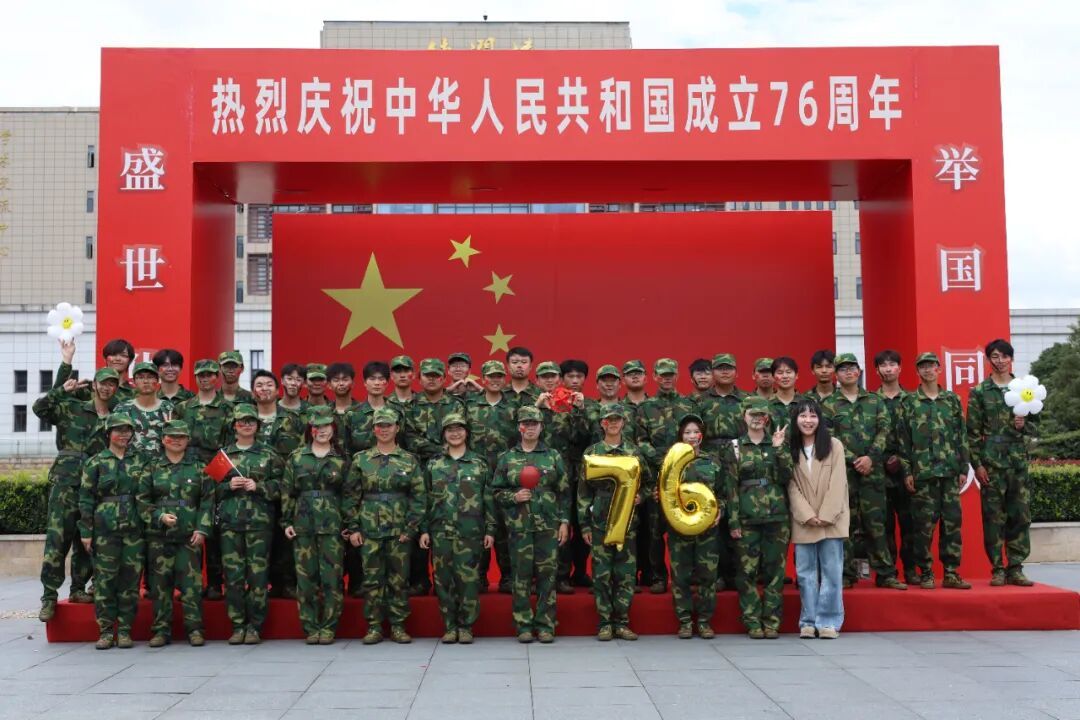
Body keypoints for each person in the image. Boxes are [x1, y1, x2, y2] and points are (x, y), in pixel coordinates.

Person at [32, 366, 118, 621]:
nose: (106, 387)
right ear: (94, 385)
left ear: (115, 388)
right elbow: (40, 409)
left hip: (95, 487)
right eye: (103, 383)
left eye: (111, 384)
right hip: (66, 484)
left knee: (87, 541)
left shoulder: (115, 419)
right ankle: (49, 596)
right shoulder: (73, 408)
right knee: (57, 539)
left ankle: (78, 589)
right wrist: (61, 390)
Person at [821, 353, 906, 590]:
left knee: (876, 524)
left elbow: (884, 430)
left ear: (859, 372)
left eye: (852, 368)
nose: (848, 372)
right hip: (843, 474)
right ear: (836, 375)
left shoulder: (874, 400)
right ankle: (846, 574)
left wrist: (870, 458)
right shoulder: (828, 405)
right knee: (844, 524)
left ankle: (886, 574)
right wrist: (853, 459)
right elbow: (828, 437)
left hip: (873, 472)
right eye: (842, 369)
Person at [343, 407, 426, 644]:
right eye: (380, 426)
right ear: (373, 430)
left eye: (389, 425)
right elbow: (350, 496)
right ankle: (374, 626)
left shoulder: (409, 460)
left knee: (399, 579)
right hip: (369, 528)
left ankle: (398, 626)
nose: (384, 429)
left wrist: (411, 528)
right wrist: (353, 527)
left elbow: (419, 497)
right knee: (372, 579)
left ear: (397, 428)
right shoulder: (361, 459)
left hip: (400, 529)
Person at [491, 406, 570, 643]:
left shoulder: (553, 456)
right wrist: (513, 497)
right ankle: (523, 625)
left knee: (548, 576)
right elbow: (496, 492)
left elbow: (564, 492)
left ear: (541, 427)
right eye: (526, 423)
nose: (530, 428)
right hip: (519, 526)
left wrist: (564, 522)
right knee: (521, 576)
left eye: (534, 423)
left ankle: (546, 625)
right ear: (519, 427)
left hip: (548, 525)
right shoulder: (507, 458)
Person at [967, 339, 1037, 587]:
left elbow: (1037, 427)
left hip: (1017, 463)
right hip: (991, 463)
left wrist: (1023, 425)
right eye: (995, 356)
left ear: (1011, 359)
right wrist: (978, 465)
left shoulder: (1025, 390)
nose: (1000, 361)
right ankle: (997, 568)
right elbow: (971, 434)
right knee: (993, 518)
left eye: (1005, 356)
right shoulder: (979, 392)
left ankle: (1015, 568)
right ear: (988, 360)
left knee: (1020, 516)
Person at [899, 353, 972, 590]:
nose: (928, 370)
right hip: (923, 474)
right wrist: (907, 471)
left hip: (949, 473)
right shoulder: (909, 402)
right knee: (923, 528)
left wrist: (963, 467)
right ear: (917, 372)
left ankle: (951, 572)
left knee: (952, 525)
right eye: (923, 367)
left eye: (931, 366)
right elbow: (903, 440)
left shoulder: (951, 400)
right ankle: (926, 572)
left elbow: (961, 435)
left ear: (939, 369)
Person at [138, 420, 212, 647]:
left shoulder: (200, 467)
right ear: (163, 440)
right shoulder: (152, 467)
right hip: (159, 537)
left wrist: (202, 528)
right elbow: (142, 501)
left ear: (188, 440)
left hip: (189, 537)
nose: (177, 440)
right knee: (160, 587)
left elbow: (207, 501)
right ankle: (161, 630)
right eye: (172, 436)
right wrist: (159, 516)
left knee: (191, 587)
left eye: (181, 437)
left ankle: (195, 630)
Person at [420, 413, 493, 644]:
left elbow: (488, 499)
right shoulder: (434, 464)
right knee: (443, 581)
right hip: (440, 531)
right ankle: (450, 626)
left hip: (471, 532)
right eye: (450, 429)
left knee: (469, 581)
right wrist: (424, 530)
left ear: (467, 433)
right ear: (443, 434)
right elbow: (424, 499)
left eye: (459, 429)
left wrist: (490, 530)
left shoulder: (479, 463)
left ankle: (466, 626)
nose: (455, 433)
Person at [579, 404, 647, 641]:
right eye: (609, 420)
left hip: (627, 523)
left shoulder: (633, 453)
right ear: (602, 423)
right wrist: (584, 525)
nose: (613, 423)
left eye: (617, 419)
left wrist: (641, 496)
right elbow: (583, 492)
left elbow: (648, 483)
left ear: (624, 423)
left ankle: (622, 622)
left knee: (625, 574)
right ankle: (605, 623)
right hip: (600, 521)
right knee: (601, 574)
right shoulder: (592, 452)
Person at [217, 404, 283, 645]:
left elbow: (283, 486)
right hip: (230, 524)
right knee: (233, 578)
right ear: (234, 426)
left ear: (257, 425)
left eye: (251, 421)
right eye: (242, 422)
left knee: (258, 577)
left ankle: (255, 626)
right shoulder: (223, 456)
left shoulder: (269, 454)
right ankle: (237, 626)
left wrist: (260, 486)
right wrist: (227, 486)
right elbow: (208, 490)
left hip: (259, 524)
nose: (246, 425)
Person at [281, 407, 348, 644]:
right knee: (306, 579)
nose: (322, 430)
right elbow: (288, 491)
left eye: (326, 426)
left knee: (332, 579)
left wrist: (349, 523)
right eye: (317, 426)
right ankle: (310, 627)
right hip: (303, 524)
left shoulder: (341, 459)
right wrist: (286, 521)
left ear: (333, 428)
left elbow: (349, 494)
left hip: (333, 524)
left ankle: (328, 627)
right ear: (310, 429)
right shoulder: (297, 457)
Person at [78, 412, 144, 650]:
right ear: (108, 433)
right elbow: (85, 498)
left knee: (130, 583)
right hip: (105, 530)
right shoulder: (95, 462)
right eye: (119, 430)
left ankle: (125, 630)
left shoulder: (140, 461)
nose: (124, 435)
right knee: (105, 582)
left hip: (134, 530)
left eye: (127, 431)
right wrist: (86, 531)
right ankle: (106, 631)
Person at [729, 396, 791, 639]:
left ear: (767, 418)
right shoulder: (735, 447)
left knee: (775, 573)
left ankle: (772, 622)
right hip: (747, 518)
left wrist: (779, 448)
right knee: (747, 573)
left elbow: (787, 477)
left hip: (777, 517)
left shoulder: (777, 443)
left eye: (761, 415)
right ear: (744, 416)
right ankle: (753, 621)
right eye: (752, 414)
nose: (756, 419)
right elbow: (731, 487)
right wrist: (733, 521)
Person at [787, 399, 848, 639]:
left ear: (820, 420)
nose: (808, 420)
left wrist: (826, 515)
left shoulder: (834, 445)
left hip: (832, 519)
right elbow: (790, 486)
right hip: (804, 520)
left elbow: (839, 482)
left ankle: (829, 622)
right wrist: (807, 515)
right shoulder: (790, 448)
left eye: (813, 416)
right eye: (802, 416)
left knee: (832, 572)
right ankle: (808, 621)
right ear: (795, 420)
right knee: (805, 574)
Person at [666, 414, 731, 640]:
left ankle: (704, 621)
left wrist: (720, 509)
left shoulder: (712, 461)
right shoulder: (671, 461)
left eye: (696, 432)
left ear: (702, 435)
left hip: (707, 529)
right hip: (679, 529)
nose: (692, 436)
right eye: (687, 432)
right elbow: (664, 492)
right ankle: (684, 622)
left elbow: (723, 492)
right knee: (680, 576)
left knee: (707, 576)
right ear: (680, 435)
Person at [403, 358, 465, 595]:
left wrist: (447, 452)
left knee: (449, 521)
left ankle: (453, 580)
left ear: (443, 378)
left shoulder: (455, 405)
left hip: (451, 470)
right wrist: (441, 449)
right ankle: (420, 579)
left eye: (436, 376)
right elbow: (410, 438)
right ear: (419, 379)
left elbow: (461, 433)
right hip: (419, 471)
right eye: (427, 375)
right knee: (420, 521)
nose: (431, 379)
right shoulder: (411, 405)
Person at [174, 358, 233, 600]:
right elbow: (175, 440)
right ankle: (192, 583)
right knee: (189, 527)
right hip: (188, 471)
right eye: (201, 375)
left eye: (210, 375)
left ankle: (216, 584)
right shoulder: (183, 407)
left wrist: (216, 477)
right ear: (196, 377)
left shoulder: (227, 408)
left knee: (215, 530)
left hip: (216, 470)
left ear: (217, 377)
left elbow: (230, 445)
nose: (205, 379)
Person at [636, 358, 696, 594]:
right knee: (654, 531)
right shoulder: (646, 407)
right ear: (655, 377)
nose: (667, 378)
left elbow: (697, 437)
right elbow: (641, 441)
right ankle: (658, 576)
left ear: (677, 375)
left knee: (684, 528)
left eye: (671, 374)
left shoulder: (688, 405)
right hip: (657, 476)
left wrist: (680, 462)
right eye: (662, 375)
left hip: (685, 476)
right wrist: (665, 461)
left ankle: (685, 576)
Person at [534, 360, 588, 595]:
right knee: (543, 525)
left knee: (570, 523)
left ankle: (568, 574)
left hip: (569, 474)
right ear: (537, 380)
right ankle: (544, 576)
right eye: (544, 376)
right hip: (539, 475)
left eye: (553, 376)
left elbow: (582, 437)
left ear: (559, 379)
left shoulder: (570, 403)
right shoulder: (534, 404)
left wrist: (578, 410)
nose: (549, 380)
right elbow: (522, 435)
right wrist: (538, 409)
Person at [250, 369, 305, 601]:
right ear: (253, 391)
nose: (264, 389)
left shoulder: (292, 420)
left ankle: (288, 582)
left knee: (287, 537)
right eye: (259, 385)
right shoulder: (244, 419)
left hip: (286, 488)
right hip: (254, 491)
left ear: (277, 389)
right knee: (261, 540)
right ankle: (265, 584)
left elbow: (303, 452)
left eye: (269, 385)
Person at [342, 360, 394, 597]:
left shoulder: (397, 412)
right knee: (359, 533)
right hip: (362, 482)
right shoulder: (353, 414)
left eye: (381, 379)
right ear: (364, 383)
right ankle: (358, 582)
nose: (377, 383)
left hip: (391, 482)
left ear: (387, 383)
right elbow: (346, 450)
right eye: (372, 379)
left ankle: (392, 585)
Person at [695, 352, 746, 592]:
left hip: (739, 462)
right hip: (710, 463)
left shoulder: (746, 400)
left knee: (738, 515)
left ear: (736, 372)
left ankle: (738, 573)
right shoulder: (700, 401)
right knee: (712, 515)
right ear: (712, 372)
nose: (725, 372)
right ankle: (712, 574)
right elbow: (691, 433)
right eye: (720, 368)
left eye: (729, 368)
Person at [466, 360, 518, 593]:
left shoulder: (514, 406)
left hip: (506, 476)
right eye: (491, 376)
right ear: (483, 379)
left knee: (506, 527)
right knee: (478, 525)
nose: (495, 380)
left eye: (499, 376)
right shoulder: (470, 405)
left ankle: (508, 576)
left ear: (504, 379)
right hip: (477, 476)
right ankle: (479, 576)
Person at [874, 349, 917, 584]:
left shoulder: (912, 400)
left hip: (907, 469)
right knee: (883, 524)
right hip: (878, 470)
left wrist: (905, 462)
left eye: (892, 364)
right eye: (883, 365)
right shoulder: (870, 400)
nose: (888, 369)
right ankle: (888, 572)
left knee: (910, 523)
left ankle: (910, 569)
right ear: (877, 370)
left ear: (900, 368)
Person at [114, 361, 173, 457]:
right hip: (130, 463)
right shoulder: (122, 409)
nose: (145, 381)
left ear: (157, 380)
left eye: (150, 377)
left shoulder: (168, 408)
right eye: (140, 377)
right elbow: (115, 443)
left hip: (160, 464)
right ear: (134, 381)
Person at [54, 337, 136, 402]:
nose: (118, 358)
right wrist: (67, 359)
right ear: (105, 358)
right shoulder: (88, 388)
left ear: (130, 360)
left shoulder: (134, 394)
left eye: (123, 355)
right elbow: (55, 399)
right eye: (113, 354)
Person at [327, 362, 361, 445]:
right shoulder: (324, 412)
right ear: (329, 385)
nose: (341, 384)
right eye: (336, 380)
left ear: (353, 383)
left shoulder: (363, 411)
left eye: (345, 379)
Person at [504, 346, 541, 411]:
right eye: (514, 362)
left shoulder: (540, 394)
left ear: (530, 366)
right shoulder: (500, 394)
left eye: (524, 362)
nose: (519, 366)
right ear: (508, 366)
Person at [769, 357, 800, 431]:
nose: (785, 376)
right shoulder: (766, 404)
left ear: (796, 375)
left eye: (788, 372)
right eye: (780, 373)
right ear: (773, 377)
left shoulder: (808, 403)